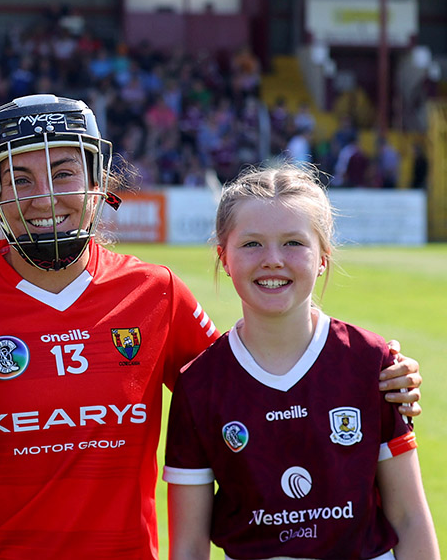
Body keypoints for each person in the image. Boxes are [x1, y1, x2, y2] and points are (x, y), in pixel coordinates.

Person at [0, 94, 421, 560]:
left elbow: (247, 389)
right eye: (18, 177)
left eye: (63, 172)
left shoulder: (156, 293)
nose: (43, 196)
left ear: (98, 181)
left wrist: (378, 378)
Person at [164, 164, 437, 560]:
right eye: (252, 244)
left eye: (294, 242)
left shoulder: (373, 363)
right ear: (224, 258)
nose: (273, 259)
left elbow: (409, 517)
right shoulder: (199, 384)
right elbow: (188, 545)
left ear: (323, 257)